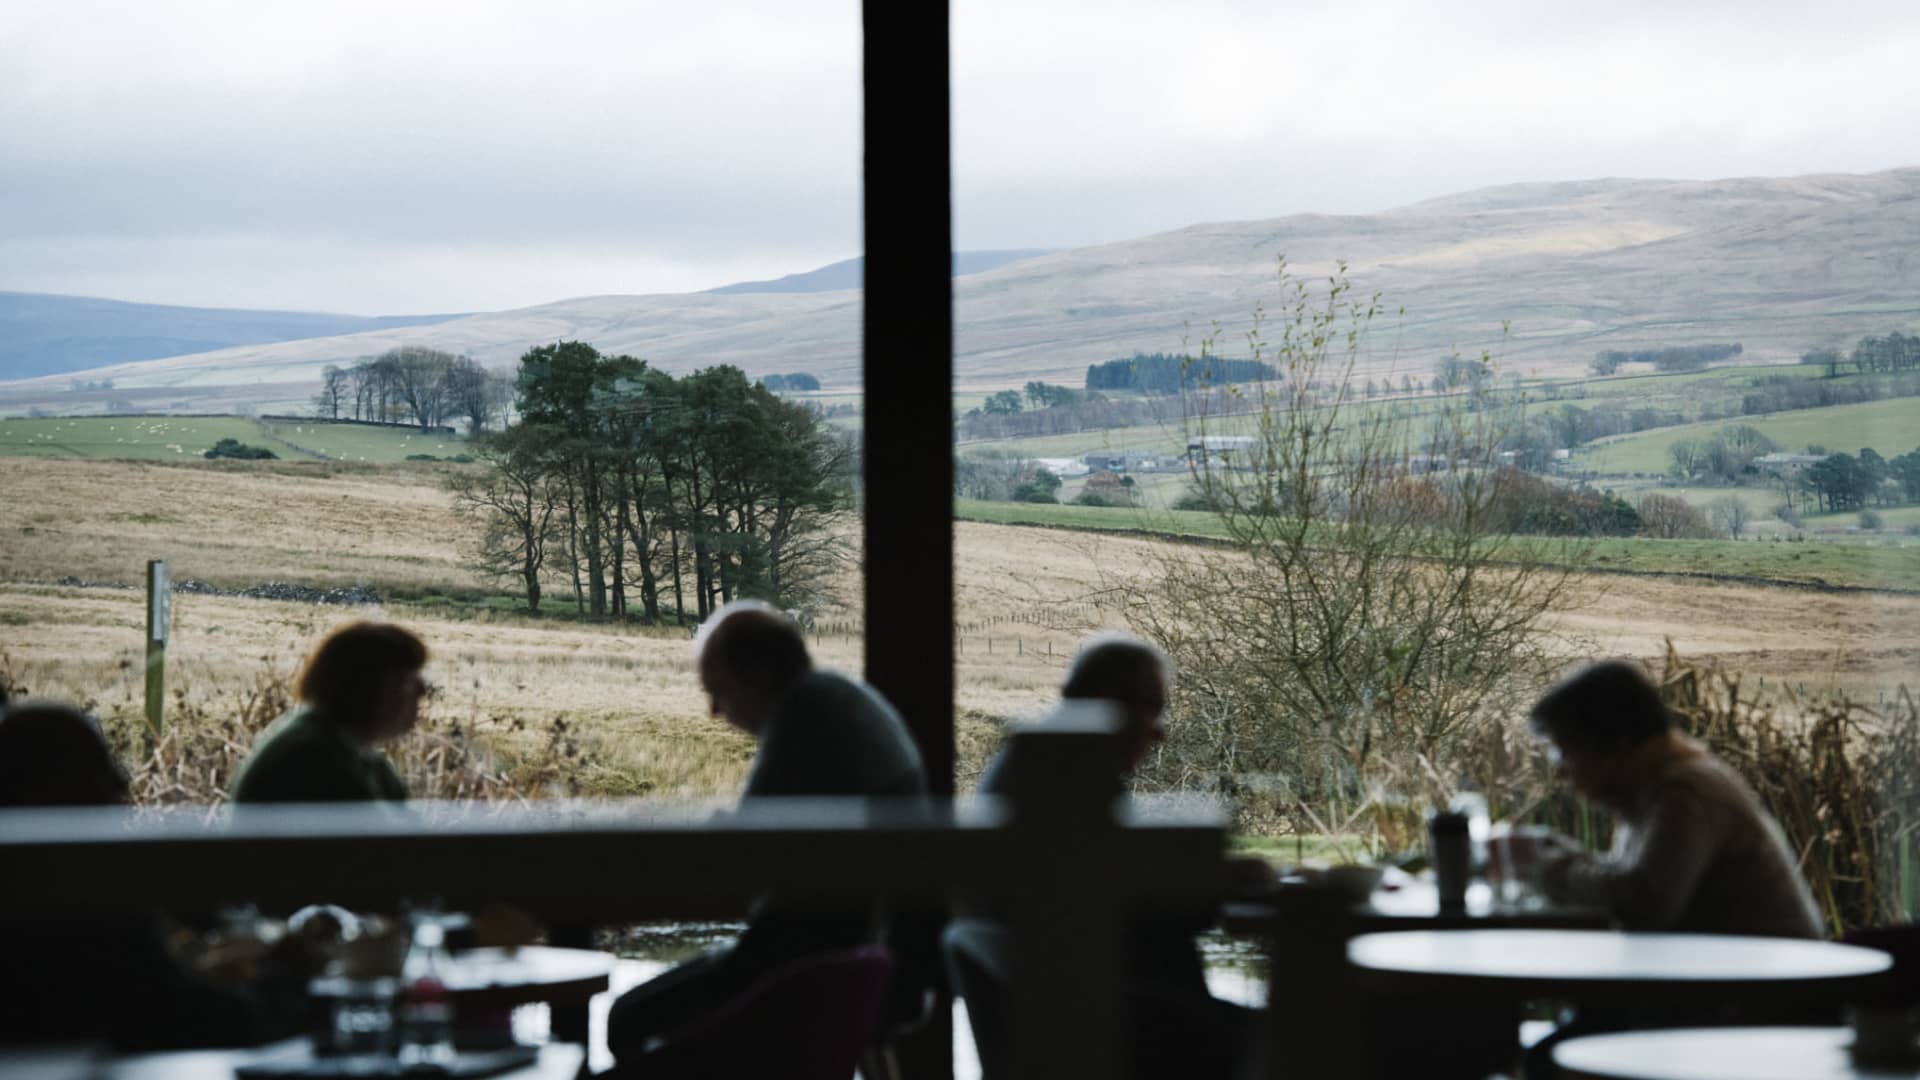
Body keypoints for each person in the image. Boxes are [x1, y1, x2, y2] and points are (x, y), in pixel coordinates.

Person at [606, 601, 929, 1063]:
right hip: (867, 963)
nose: (715, 711)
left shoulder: (805, 717)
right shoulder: (837, 701)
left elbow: (744, 854)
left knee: (628, 1019)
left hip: (808, 970)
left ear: (757, 675)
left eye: (718, 691)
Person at [971, 634, 1252, 1079]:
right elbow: (1153, 908)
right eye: (1153, 707)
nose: (1160, 731)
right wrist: (1216, 877)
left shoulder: (1037, 760)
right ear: (1108, 701)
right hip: (1101, 1030)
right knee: (1291, 1031)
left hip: (1064, 1012)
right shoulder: (1071, 769)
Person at [0, 702, 307, 1050]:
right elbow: (204, 1017)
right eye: (101, 772)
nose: (122, 786)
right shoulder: (84, 903)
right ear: (45, 790)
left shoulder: (37, 882)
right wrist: (288, 977)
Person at [1511, 660, 1823, 939]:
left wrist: (1542, 867)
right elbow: (1628, 884)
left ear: (1618, 745)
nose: (1561, 773)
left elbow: (1644, 903)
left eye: (1566, 751)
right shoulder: (1653, 789)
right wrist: (1553, 852)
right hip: (1737, 983)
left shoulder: (1688, 792)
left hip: (1770, 996)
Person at [231, 621, 427, 803]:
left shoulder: (360, 756)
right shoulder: (311, 758)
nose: (422, 692)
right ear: (361, 687)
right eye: (405, 681)